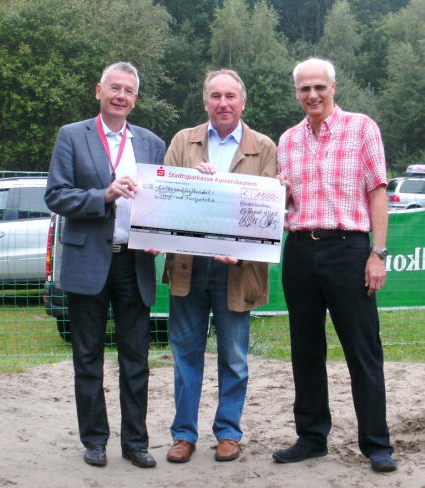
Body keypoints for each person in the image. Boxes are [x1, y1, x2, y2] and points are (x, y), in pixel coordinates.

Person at [274, 58, 396, 473]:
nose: (313, 95)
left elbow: (377, 192)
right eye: (305, 89)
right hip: (300, 251)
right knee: (305, 349)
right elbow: (281, 203)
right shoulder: (287, 140)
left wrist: (376, 253)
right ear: (296, 93)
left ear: (333, 87)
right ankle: (311, 437)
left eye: (319, 87)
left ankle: (377, 443)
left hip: (349, 248)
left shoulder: (362, 128)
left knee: (362, 350)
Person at [45, 61, 166, 468]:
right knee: (88, 357)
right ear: (99, 90)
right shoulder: (72, 136)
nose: (121, 96)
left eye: (129, 90)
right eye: (114, 88)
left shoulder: (151, 143)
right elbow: (57, 196)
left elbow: (161, 203)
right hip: (87, 260)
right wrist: (104, 195)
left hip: (134, 264)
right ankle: (95, 440)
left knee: (136, 358)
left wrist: (160, 238)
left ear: (135, 97)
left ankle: (136, 443)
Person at [162, 69, 276, 463]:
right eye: (215, 96)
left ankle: (228, 432)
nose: (222, 103)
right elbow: (165, 202)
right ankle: (183, 434)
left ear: (242, 102)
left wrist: (241, 251)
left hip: (237, 271)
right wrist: (190, 183)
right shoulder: (183, 142)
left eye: (230, 96)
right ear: (205, 101)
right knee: (185, 355)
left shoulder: (263, 146)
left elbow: (267, 215)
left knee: (234, 357)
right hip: (188, 268)